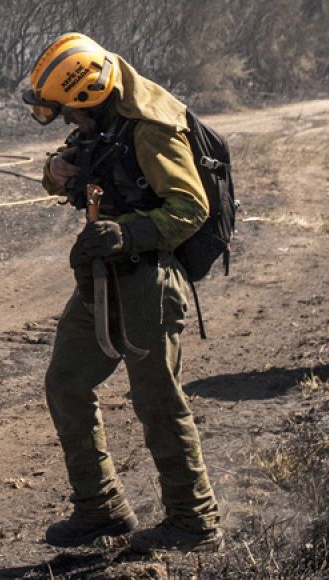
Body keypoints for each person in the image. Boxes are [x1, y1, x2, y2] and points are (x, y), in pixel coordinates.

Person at [21, 33, 220, 554]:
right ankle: (101, 507)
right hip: (103, 276)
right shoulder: (102, 118)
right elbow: (72, 168)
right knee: (66, 382)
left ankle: (194, 519)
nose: (67, 121)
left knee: (156, 399)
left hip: (149, 279)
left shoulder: (152, 131)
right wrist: (55, 172)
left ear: (89, 95)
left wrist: (127, 233)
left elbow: (190, 209)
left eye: (69, 110)